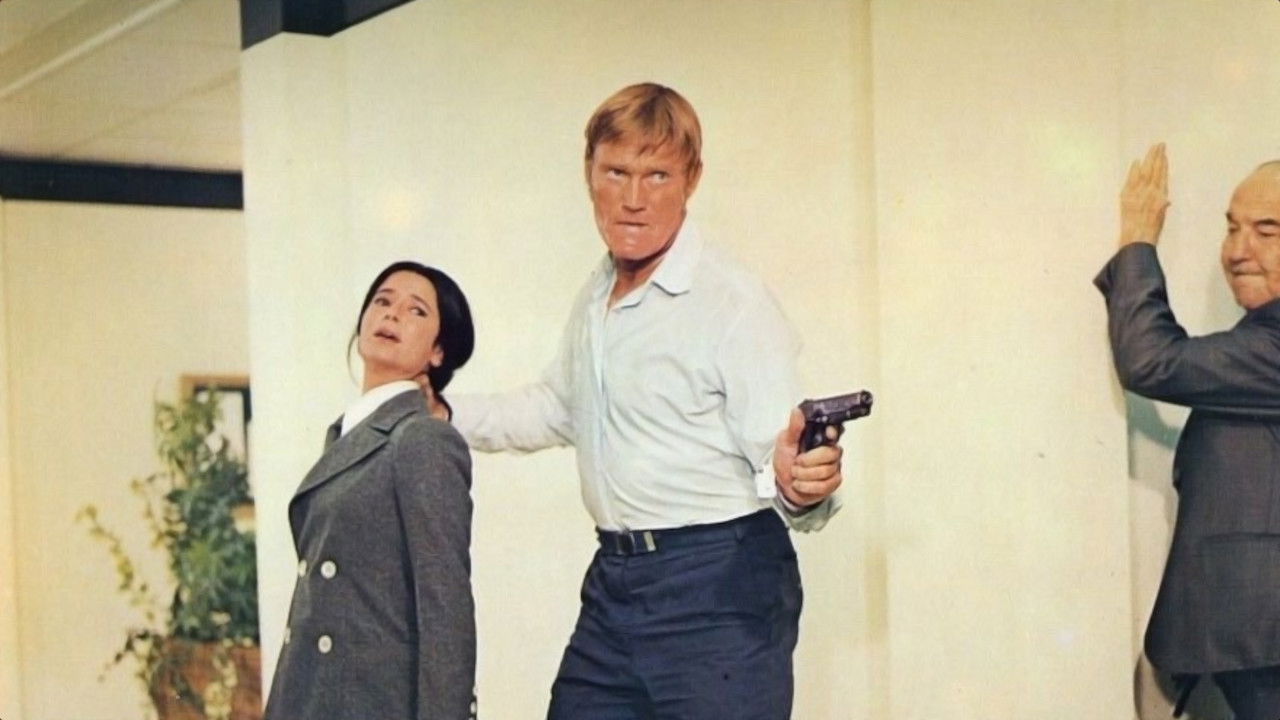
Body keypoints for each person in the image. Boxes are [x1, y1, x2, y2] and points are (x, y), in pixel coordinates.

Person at [431, 83, 847, 719]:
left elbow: (782, 460)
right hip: (615, 587)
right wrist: (440, 415)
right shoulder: (598, 294)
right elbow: (557, 408)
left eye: (657, 175)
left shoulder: (731, 302)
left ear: (691, 179)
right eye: (616, 173)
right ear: (589, 173)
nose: (633, 199)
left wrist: (800, 485)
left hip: (721, 588)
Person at [1096, 144, 1280, 720]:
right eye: (1232, 228)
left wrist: (1137, 240)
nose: (1238, 251)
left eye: (1267, 231)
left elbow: (1153, 362)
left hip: (1262, 642)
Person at [264, 261, 477, 720]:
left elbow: (446, 613)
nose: (392, 313)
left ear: (438, 351)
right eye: (382, 301)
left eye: (416, 310)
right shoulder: (346, 435)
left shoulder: (422, 438)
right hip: (310, 698)